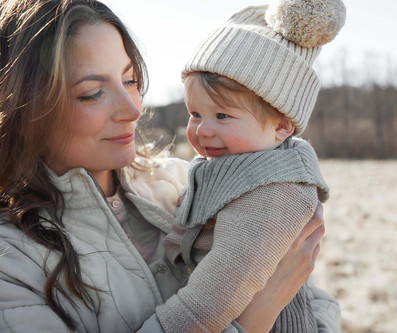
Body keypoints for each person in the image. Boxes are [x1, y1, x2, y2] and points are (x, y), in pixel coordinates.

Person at [0, 0, 339, 332]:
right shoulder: (11, 261)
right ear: (23, 109)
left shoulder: (182, 182)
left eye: (131, 80)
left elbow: (314, 302)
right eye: (91, 92)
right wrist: (253, 317)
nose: (133, 108)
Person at [162, 0, 346, 332]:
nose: (202, 129)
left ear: (281, 126)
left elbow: (217, 293)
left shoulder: (275, 192)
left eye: (222, 116)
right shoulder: (232, 168)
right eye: (195, 114)